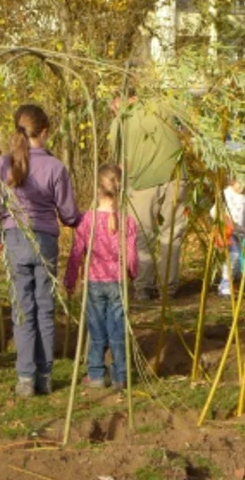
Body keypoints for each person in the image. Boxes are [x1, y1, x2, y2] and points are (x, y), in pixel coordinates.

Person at [0, 105, 80, 398]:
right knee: (45, 309)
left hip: (14, 240)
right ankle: (45, 375)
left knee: (22, 310)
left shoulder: (2, 164)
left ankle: (25, 377)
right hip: (45, 243)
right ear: (45, 132)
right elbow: (69, 214)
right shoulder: (55, 167)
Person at [64, 164, 138, 391]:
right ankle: (120, 375)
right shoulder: (127, 221)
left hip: (95, 283)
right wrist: (132, 274)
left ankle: (96, 374)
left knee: (96, 330)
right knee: (117, 330)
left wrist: (70, 278)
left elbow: (77, 252)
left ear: (97, 189)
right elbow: (132, 254)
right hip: (117, 283)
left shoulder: (88, 220)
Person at [109, 92, 186, 301]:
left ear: (119, 100)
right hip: (176, 177)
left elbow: (120, 165)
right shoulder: (163, 105)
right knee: (171, 234)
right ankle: (167, 289)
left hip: (142, 184)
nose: (113, 111)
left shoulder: (121, 121)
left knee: (142, 235)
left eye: (113, 107)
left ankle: (143, 288)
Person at [210, 179, 245, 296]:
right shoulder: (226, 194)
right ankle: (225, 283)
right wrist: (225, 218)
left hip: (241, 232)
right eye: (240, 182)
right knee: (234, 255)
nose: (242, 186)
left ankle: (235, 282)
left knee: (240, 260)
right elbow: (213, 212)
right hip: (228, 232)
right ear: (232, 181)